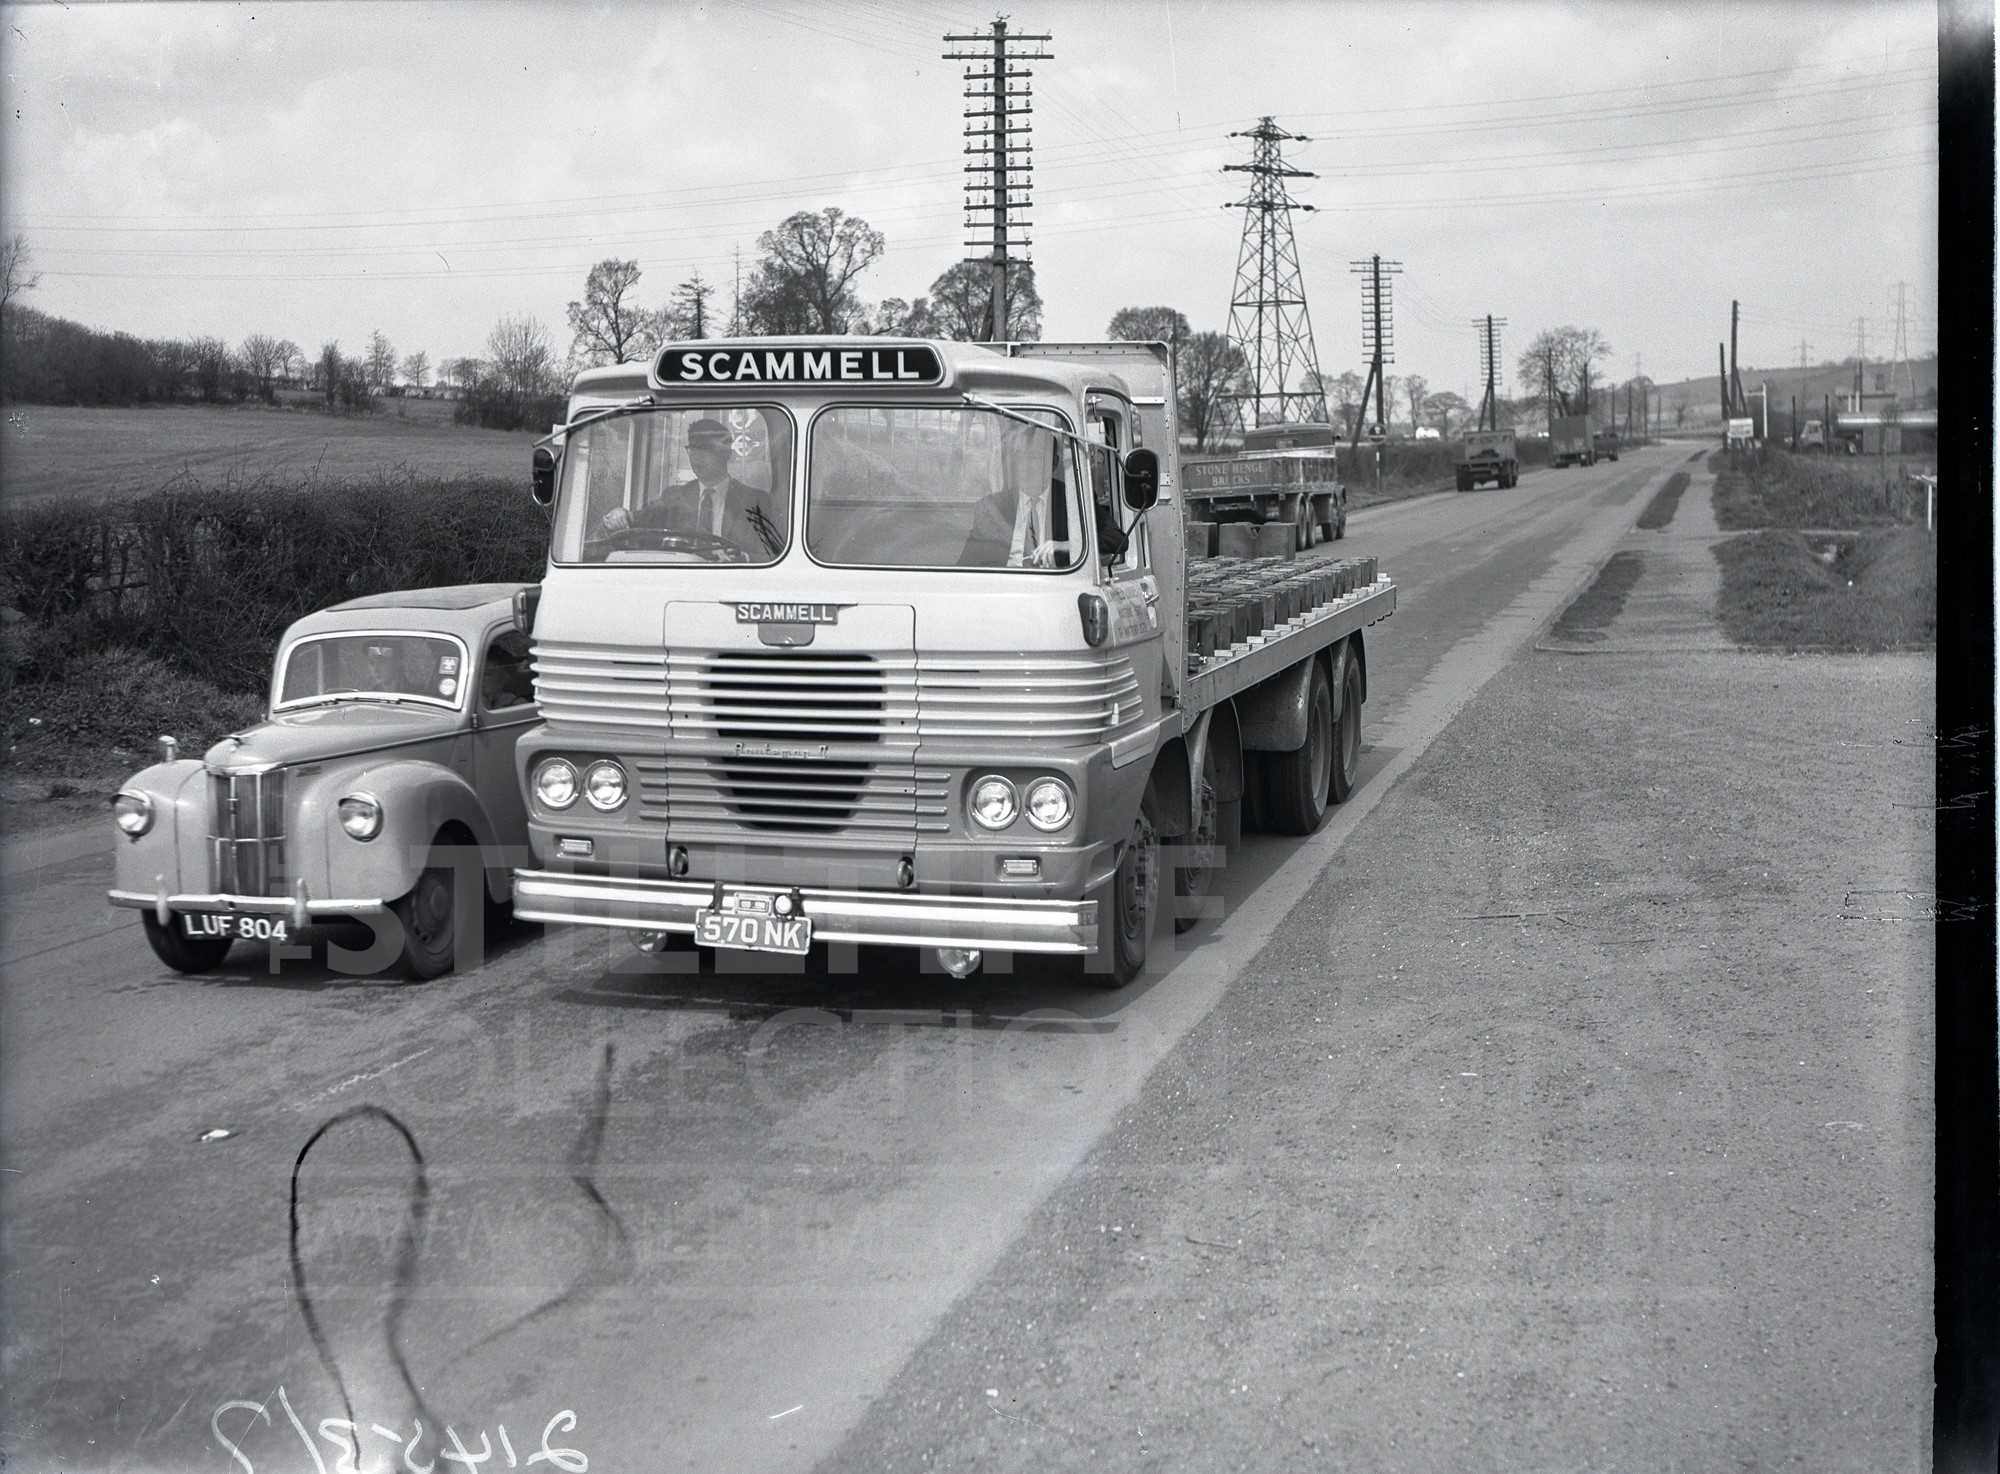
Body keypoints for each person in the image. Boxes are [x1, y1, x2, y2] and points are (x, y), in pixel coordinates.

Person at [600, 417, 783, 557]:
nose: (696, 457)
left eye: (705, 450)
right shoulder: (674, 497)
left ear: (726, 453)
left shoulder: (756, 501)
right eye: (693, 450)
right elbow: (635, 520)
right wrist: (621, 515)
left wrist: (745, 559)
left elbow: (775, 553)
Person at [957, 428, 1128, 568]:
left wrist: (1066, 545)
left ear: (1053, 463)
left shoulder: (1073, 500)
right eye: (1022, 458)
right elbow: (965, 565)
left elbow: (1118, 540)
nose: (1027, 466)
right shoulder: (991, 507)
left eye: (1036, 458)